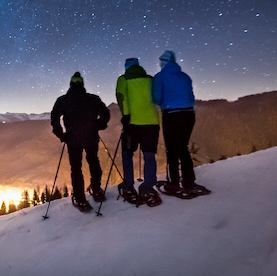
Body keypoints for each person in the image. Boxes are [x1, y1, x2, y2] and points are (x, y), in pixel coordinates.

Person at [51, 71, 110, 211]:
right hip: (91, 136)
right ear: (82, 84)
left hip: (73, 139)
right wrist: (100, 125)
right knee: (94, 161)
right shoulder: (93, 99)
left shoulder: (63, 100)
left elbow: (54, 119)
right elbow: (105, 113)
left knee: (76, 168)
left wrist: (61, 135)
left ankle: (80, 198)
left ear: (70, 84)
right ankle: (96, 189)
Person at [152, 50, 207, 195]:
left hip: (171, 114)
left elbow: (156, 98)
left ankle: (174, 182)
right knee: (183, 147)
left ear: (163, 62)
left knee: (171, 149)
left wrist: (165, 102)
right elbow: (191, 97)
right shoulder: (185, 77)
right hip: (188, 114)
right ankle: (189, 181)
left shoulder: (160, 77)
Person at [115, 58, 161, 206]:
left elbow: (122, 98)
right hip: (152, 123)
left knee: (127, 153)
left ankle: (128, 185)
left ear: (126, 67)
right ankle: (148, 187)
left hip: (133, 124)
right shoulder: (150, 79)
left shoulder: (123, 79)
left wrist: (126, 116)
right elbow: (158, 97)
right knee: (149, 155)